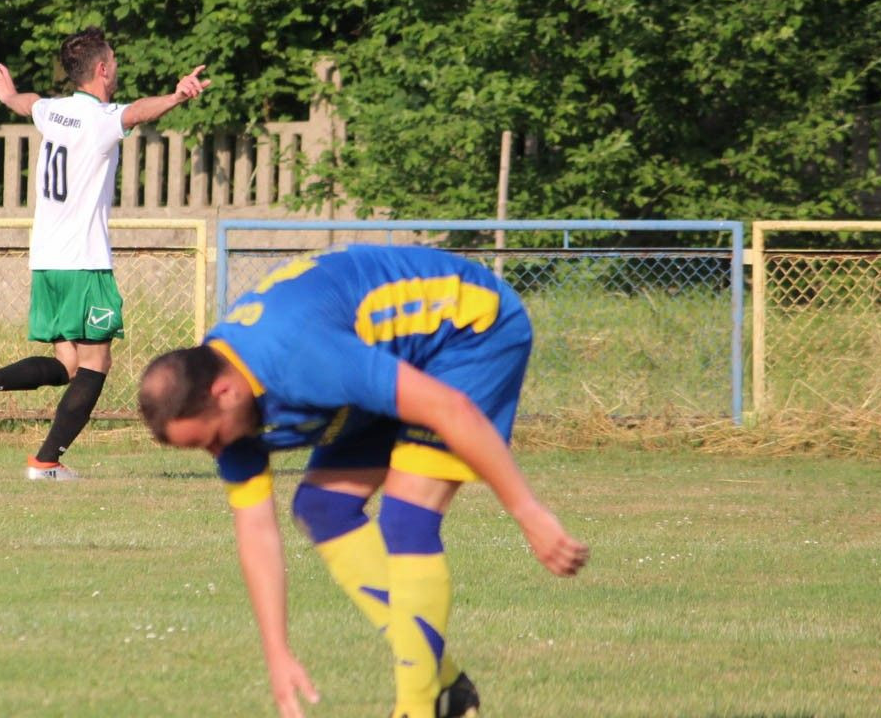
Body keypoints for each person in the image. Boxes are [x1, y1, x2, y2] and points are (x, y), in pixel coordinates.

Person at [138, 244, 589, 718]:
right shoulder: (230, 386)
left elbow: (449, 408)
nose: (216, 454)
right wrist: (278, 654)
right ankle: (449, 688)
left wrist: (527, 512)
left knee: (408, 517)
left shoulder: (301, 358)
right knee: (323, 508)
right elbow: (254, 530)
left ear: (224, 394)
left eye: (208, 440)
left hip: (468, 330)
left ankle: (419, 708)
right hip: (386, 357)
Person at [0, 26, 210, 481]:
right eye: (114, 60)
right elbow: (137, 114)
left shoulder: (54, 111)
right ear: (102, 68)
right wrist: (177, 96)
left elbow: (28, 103)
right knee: (96, 364)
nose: (118, 68)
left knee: (68, 365)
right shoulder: (99, 117)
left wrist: (8, 95)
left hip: (46, 259)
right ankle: (45, 461)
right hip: (83, 262)